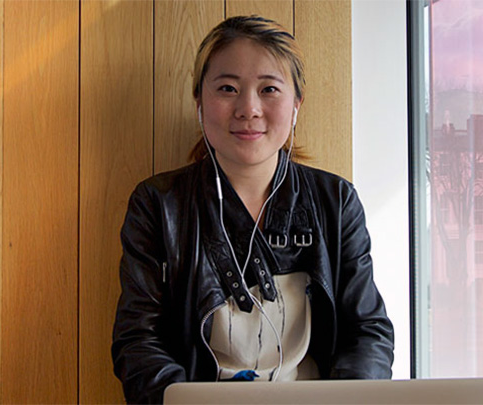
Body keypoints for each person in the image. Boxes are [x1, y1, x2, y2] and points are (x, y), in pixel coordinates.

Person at [111, 15, 394, 404]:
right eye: (227, 88)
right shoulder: (159, 204)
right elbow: (138, 340)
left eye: (269, 89)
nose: (248, 108)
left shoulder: (336, 200)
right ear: (199, 100)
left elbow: (368, 331)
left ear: (296, 104)